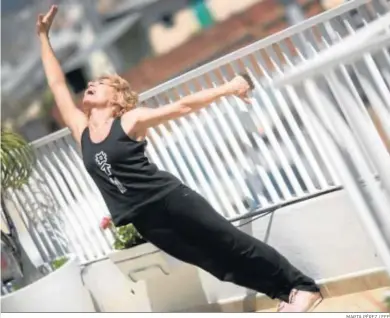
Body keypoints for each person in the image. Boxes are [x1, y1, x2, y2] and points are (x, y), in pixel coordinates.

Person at [36, 5, 322, 312]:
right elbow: (56, 84)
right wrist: (43, 36)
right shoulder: (81, 132)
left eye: (99, 83)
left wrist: (227, 88)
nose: (90, 85)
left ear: (117, 98)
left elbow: (182, 107)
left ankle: (303, 286)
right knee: (216, 263)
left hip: (170, 200)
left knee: (232, 243)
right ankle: (284, 293)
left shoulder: (130, 120)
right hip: (144, 219)